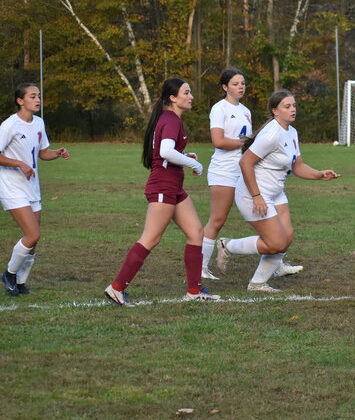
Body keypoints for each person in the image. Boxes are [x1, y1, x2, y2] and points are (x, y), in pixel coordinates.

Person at [104, 78, 219, 306]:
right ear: (173, 98)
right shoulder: (171, 119)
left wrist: (187, 156)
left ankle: (194, 291)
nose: (191, 96)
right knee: (151, 238)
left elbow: (166, 151)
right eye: (186, 92)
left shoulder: (169, 119)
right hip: (163, 186)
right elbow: (166, 151)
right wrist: (193, 164)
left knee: (196, 232)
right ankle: (116, 288)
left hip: (173, 187)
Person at [215, 89, 339, 292]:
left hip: (275, 192)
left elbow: (297, 165)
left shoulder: (291, 132)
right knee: (275, 243)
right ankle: (227, 246)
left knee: (286, 239)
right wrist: (257, 196)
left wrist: (319, 174)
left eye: (294, 106)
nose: (292, 110)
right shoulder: (272, 134)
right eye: (287, 106)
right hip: (253, 193)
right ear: (275, 111)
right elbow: (245, 162)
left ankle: (257, 283)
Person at [201, 69, 303, 281]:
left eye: (243, 83)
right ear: (224, 87)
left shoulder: (246, 111)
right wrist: (247, 144)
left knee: (278, 228)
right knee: (217, 220)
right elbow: (218, 141)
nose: (241, 86)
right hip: (225, 170)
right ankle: (201, 268)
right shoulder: (219, 108)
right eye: (236, 83)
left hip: (244, 170)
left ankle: (277, 264)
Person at [0, 83, 70, 296]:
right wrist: (20, 164)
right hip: (11, 187)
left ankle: (20, 282)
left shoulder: (39, 123)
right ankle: (9, 274)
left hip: (32, 187)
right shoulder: (9, 125)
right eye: (32, 96)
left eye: (38, 95)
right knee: (32, 234)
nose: (37, 99)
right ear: (20, 101)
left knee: (34, 240)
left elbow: (42, 153)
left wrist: (56, 153)